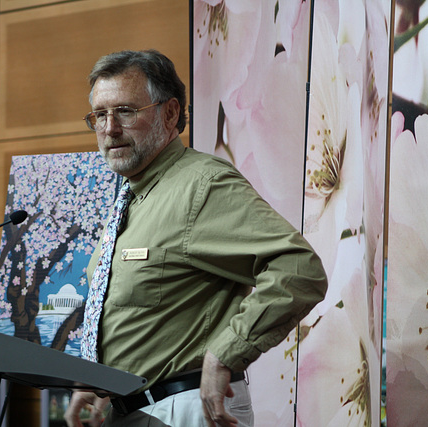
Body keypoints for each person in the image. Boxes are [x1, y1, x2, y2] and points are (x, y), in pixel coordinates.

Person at [65, 49, 328, 427]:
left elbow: (299, 268)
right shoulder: (131, 199)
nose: (109, 129)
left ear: (169, 113)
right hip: (132, 412)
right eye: (99, 115)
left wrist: (227, 353)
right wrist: (98, 381)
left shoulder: (202, 186)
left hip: (183, 410)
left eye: (125, 111)